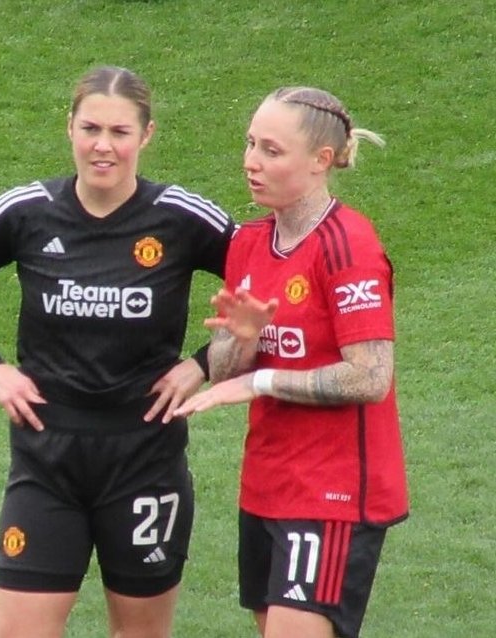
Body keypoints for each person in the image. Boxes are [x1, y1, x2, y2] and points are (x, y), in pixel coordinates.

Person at [0, 65, 234, 638]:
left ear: (147, 135)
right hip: (46, 461)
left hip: (145, 461)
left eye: (119, 132)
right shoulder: (25, 211)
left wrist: (202, 364)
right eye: (91, 128)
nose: (103, 146)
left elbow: (270, 292)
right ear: (69, 128)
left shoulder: (184, 218)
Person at [175, 86, 409, 638]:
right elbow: (230, 371)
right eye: (251, 144)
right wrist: (247, 340)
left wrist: (263, 379)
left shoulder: (348, 245)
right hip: (266, 482)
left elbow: (370, 377)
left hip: (335, 491)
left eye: (272, 151)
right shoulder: (249, 243)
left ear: (320, 161)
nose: (250, 162)